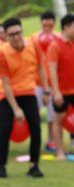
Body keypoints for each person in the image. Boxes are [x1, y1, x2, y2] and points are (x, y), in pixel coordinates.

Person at [0, 18, 50, 179]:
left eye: (18, 33)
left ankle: (34, 165)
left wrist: (46, 90)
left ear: (22, 32)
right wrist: (16, 109)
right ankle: (2, 166)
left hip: (27, 91)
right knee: (5, 128)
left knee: (36, 127)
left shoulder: (33, 45)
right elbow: (5, 84)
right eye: (12, 35)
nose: (16, 37)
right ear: (5, 36)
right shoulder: (2, 53)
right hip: (7, 94)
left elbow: (40, 68)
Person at [48, 13, 74, 159]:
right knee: (59, 120)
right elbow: (52, 69)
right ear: (67, 27)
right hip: (62, 91)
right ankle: (60, 152)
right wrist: (56, 92)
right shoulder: (55, 45)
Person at [32, 11, 58, 153]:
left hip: (53, 83)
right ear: (41, 22)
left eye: (50, 22)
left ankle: (51, 141)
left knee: (52, 115)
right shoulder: (34, 38)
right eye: (45, 22)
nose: (47, 25)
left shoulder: (58, 38)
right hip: (36, 82)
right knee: (33, 114)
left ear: (54, 23)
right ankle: (35, 141)